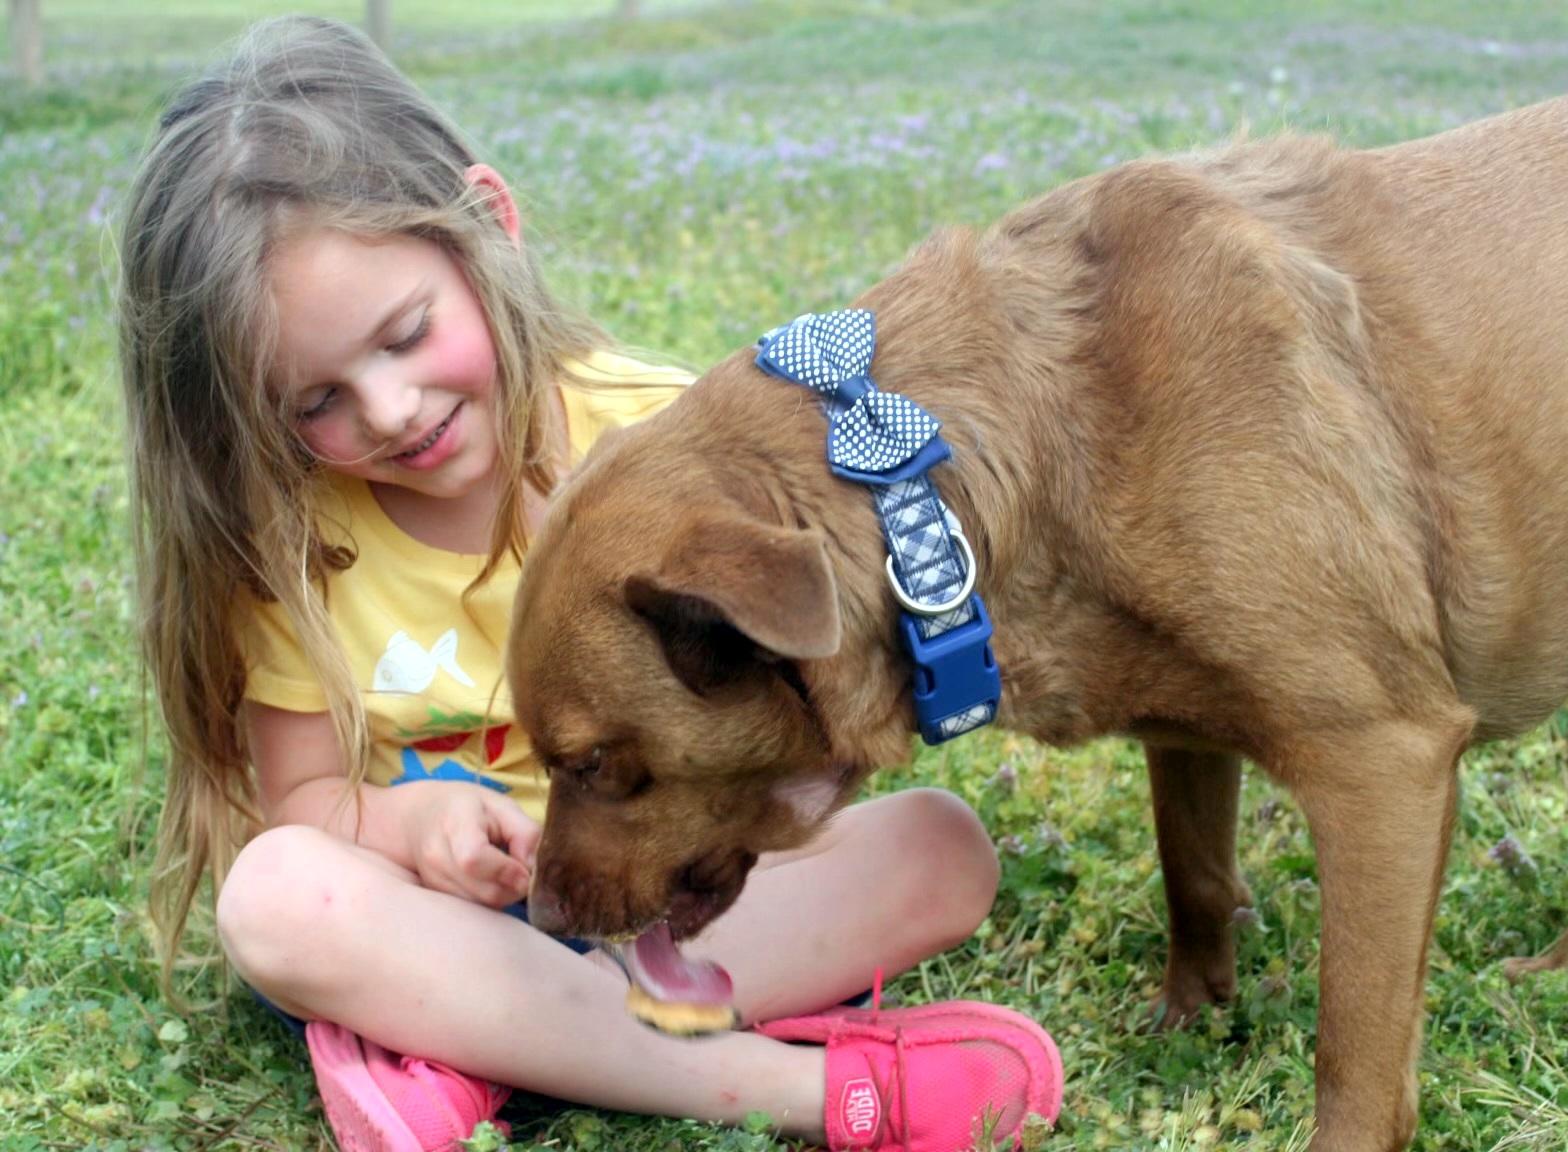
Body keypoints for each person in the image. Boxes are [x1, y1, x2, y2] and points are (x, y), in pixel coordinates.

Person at [118, 15, 1062, 1152]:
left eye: (406, 335)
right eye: (316, 401)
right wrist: (414, 823)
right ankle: (796, 1091)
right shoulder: (294, 550)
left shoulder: (661, 437)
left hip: (660, 899)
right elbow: (306, 802)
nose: (390, 410)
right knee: (277, 897)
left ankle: (476, 1061)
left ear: (488, 225)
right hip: (436, 934)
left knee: (941, 848)